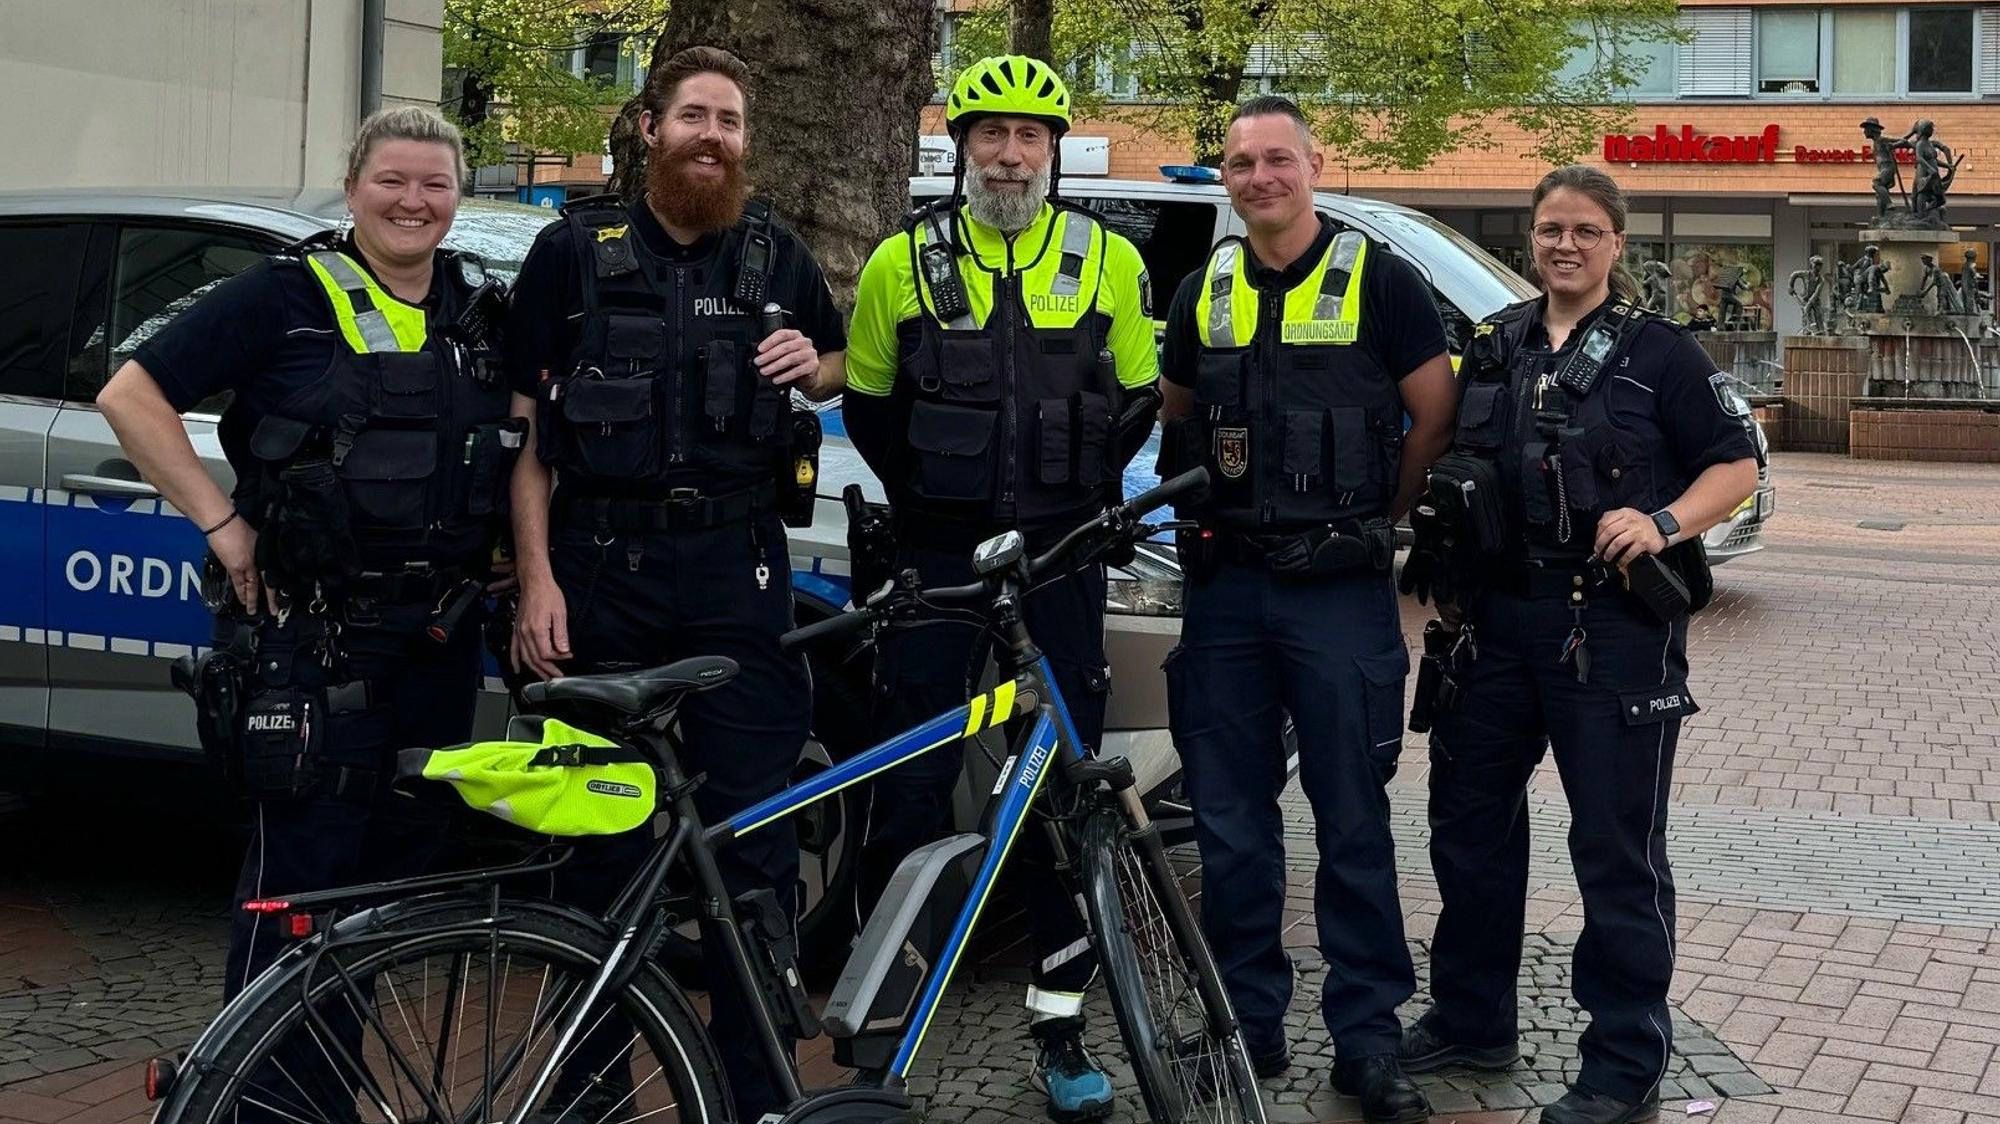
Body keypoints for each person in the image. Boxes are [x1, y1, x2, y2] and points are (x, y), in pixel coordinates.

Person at [97, 106, 513, 1002]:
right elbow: (129, 396)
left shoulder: (477, 310)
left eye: (435, 184)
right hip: (316, 643)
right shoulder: (282, 295)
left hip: (437, 643)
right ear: (353, 188)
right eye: (391, 181)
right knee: (302, 881)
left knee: (393, 885)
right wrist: (221, 524)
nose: (413, 201)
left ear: (458, 196)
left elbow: (520, 434)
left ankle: (338, 1066)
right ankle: (266, 1076)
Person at [504, 45, 846, 1120]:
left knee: (755, 851)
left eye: (729, 122)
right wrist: (534, 581)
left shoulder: (776, 255)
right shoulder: (570, 255)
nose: (712, 137)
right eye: (694, 116)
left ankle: (757, 1098)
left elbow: (836, 364)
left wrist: (813, 367)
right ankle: (590, 1097)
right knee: (597, 847)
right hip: (601, 576)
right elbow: (525, 439)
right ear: (650, 128)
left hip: (740, 576)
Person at [1398, 165, 1761, 1124]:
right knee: (1467, 828)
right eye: (1552, 228)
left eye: (1586, 231)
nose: (1566, 245)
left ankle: (1626, 1062)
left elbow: (1736, 465)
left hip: (1608, 631)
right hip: (1493, 628)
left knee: (1615, 848)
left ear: (1616, 244)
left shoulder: (1660, 352)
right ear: (1532, 237)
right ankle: (1472, 1018)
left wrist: (1664, 522)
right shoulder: (1494, 344)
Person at [840, 53, 1161, 1123]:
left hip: (1060, 562)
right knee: (909, 785)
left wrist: (1067, 505)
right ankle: (884, 1026)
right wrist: (942, 504)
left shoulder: (1108, 258)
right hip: (937, 563)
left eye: (1030, 136)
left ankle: (1059, 1026)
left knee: (1065, 795)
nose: (1011, 155)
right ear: (962, 147)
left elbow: (1134, 400)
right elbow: (872, 409)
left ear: (1054, 151)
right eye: (992, 134)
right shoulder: (900, 261)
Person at [1156, 95, 1458, 1124]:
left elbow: (1431, 418)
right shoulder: (1202, 287)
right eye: (1241, 163)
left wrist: (1378, 520)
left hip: (1336, 588)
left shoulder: (1383, 279)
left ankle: (1366, 1039)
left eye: (1277, 159)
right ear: (1227, 176)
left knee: (1352, 818)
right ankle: (1248, 1018)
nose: (1260, 178)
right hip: (1227, 590)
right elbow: (1179, 416)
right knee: (1230, 823)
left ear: (1314, 165)